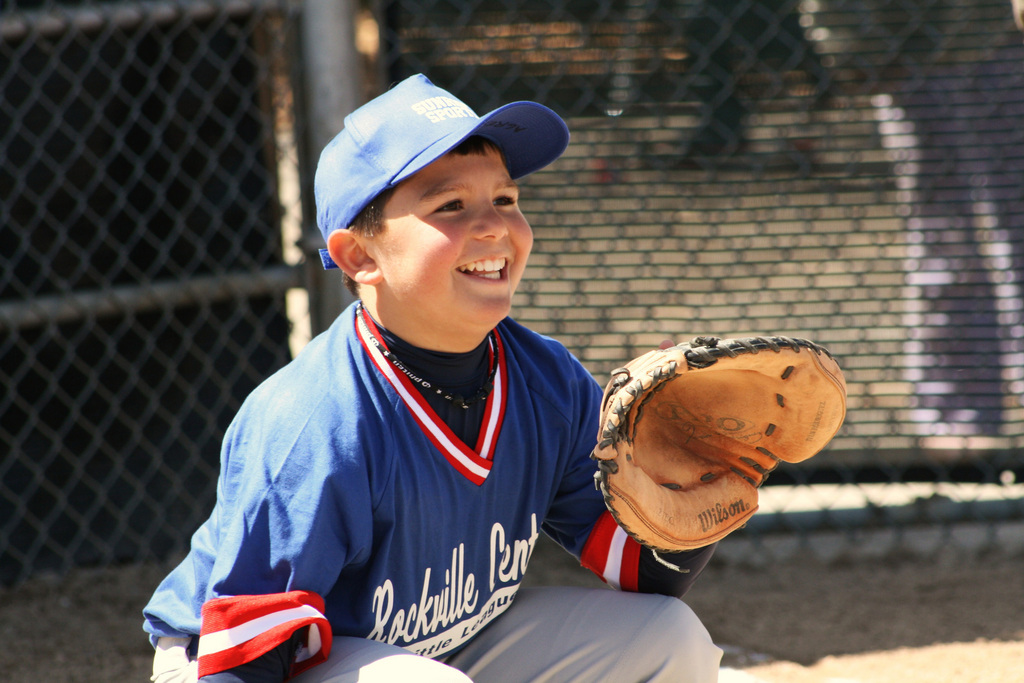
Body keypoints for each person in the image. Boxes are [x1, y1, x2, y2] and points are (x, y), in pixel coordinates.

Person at [142, 74, 722, 683]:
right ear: (360, 257)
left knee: (666, 637)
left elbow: (639, 568)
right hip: (248, 661)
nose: (494, 225)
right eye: (450, 206)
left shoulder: (545, 380)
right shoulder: (317, 420)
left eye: (505, 199)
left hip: (440, 645)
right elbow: (246, 645)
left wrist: (697, 477)